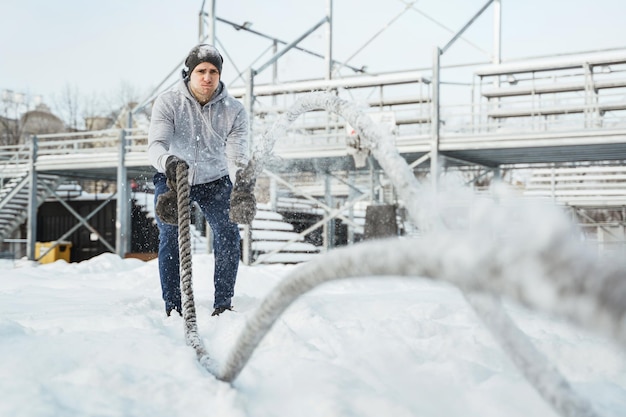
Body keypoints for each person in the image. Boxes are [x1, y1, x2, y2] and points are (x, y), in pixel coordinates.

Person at [148, 44, 249, 317]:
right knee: (171, 235)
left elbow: (236, 155)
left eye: (213, 71)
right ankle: (173, 306)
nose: (207, 77)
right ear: (189, 74)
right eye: (201, 71)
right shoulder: (169, 102)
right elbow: (156, 145)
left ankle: (223, 304)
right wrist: (169, 162)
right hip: (173, 176)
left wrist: (241, 184)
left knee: (228, 234)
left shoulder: (234, 110)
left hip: (215, 180)